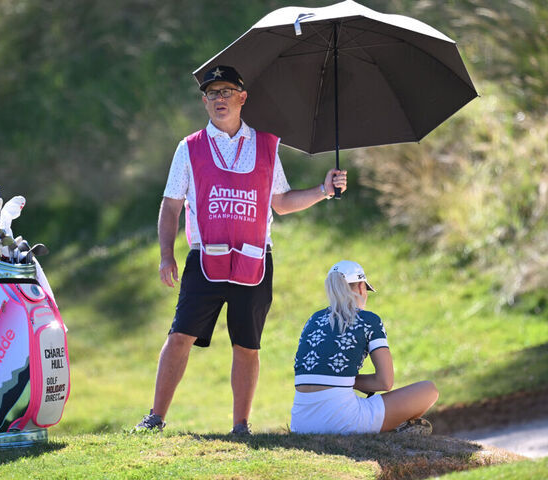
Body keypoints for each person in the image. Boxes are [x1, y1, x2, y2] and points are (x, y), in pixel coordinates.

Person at [135, 65, 348, 434]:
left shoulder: (266, 145)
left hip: (254, 261)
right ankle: (155, 417)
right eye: (212, 93)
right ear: (204, 101)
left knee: (247, 345)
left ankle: (241, 426)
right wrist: (166, 254)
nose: (220, 99)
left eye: (227, 91)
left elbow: (280, 202)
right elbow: (170, 205)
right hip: (205, 259)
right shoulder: (189, 148)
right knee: (180, 335)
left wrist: (323, 189)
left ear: (242, 97)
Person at [291, 260, 439, 434]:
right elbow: (385, 382)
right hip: (343, 421)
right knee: (429, 389)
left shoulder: (313, 319)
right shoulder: (369, 320)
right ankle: (392, 430)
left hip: (300, 423)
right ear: (361, 288)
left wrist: (343, 379)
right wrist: (353, 381)